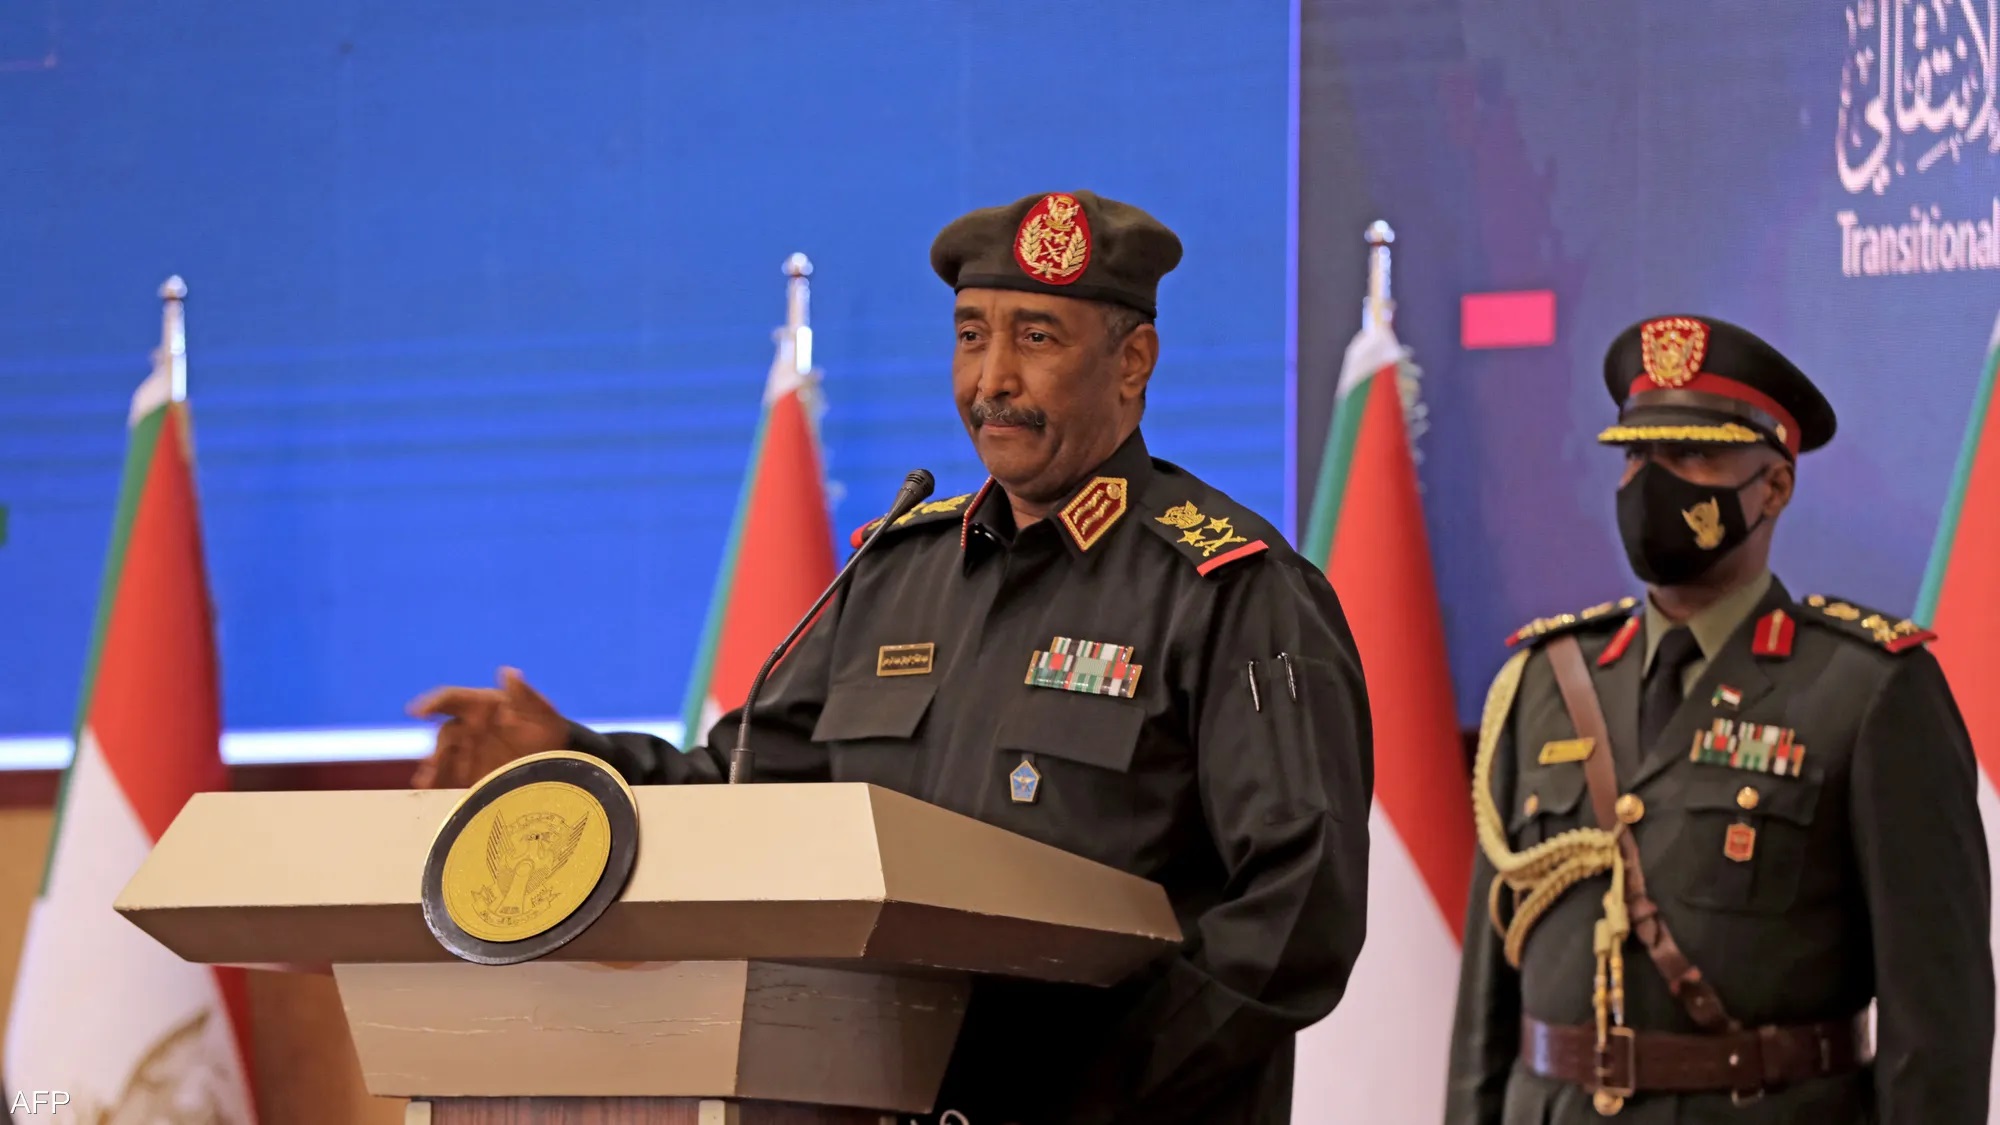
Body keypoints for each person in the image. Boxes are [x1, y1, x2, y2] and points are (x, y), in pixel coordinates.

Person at [407, 190, 1375, 1125]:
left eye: (1036, 338)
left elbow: (1296, 911)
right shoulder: (891, 573)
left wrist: (1097, 1091)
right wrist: (571, 760)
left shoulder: (1230, 590)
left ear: (1132, 362)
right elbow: (743, 793)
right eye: (970, 336)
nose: (991, 380)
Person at [1444, 314, 1994, 1123]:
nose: (1650, 482)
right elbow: (1487, 1001)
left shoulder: (1867, 690)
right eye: (1636, 455)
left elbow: (1936, 1022)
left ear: (1774, 486)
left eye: (1691, 455)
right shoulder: (1541, 683)